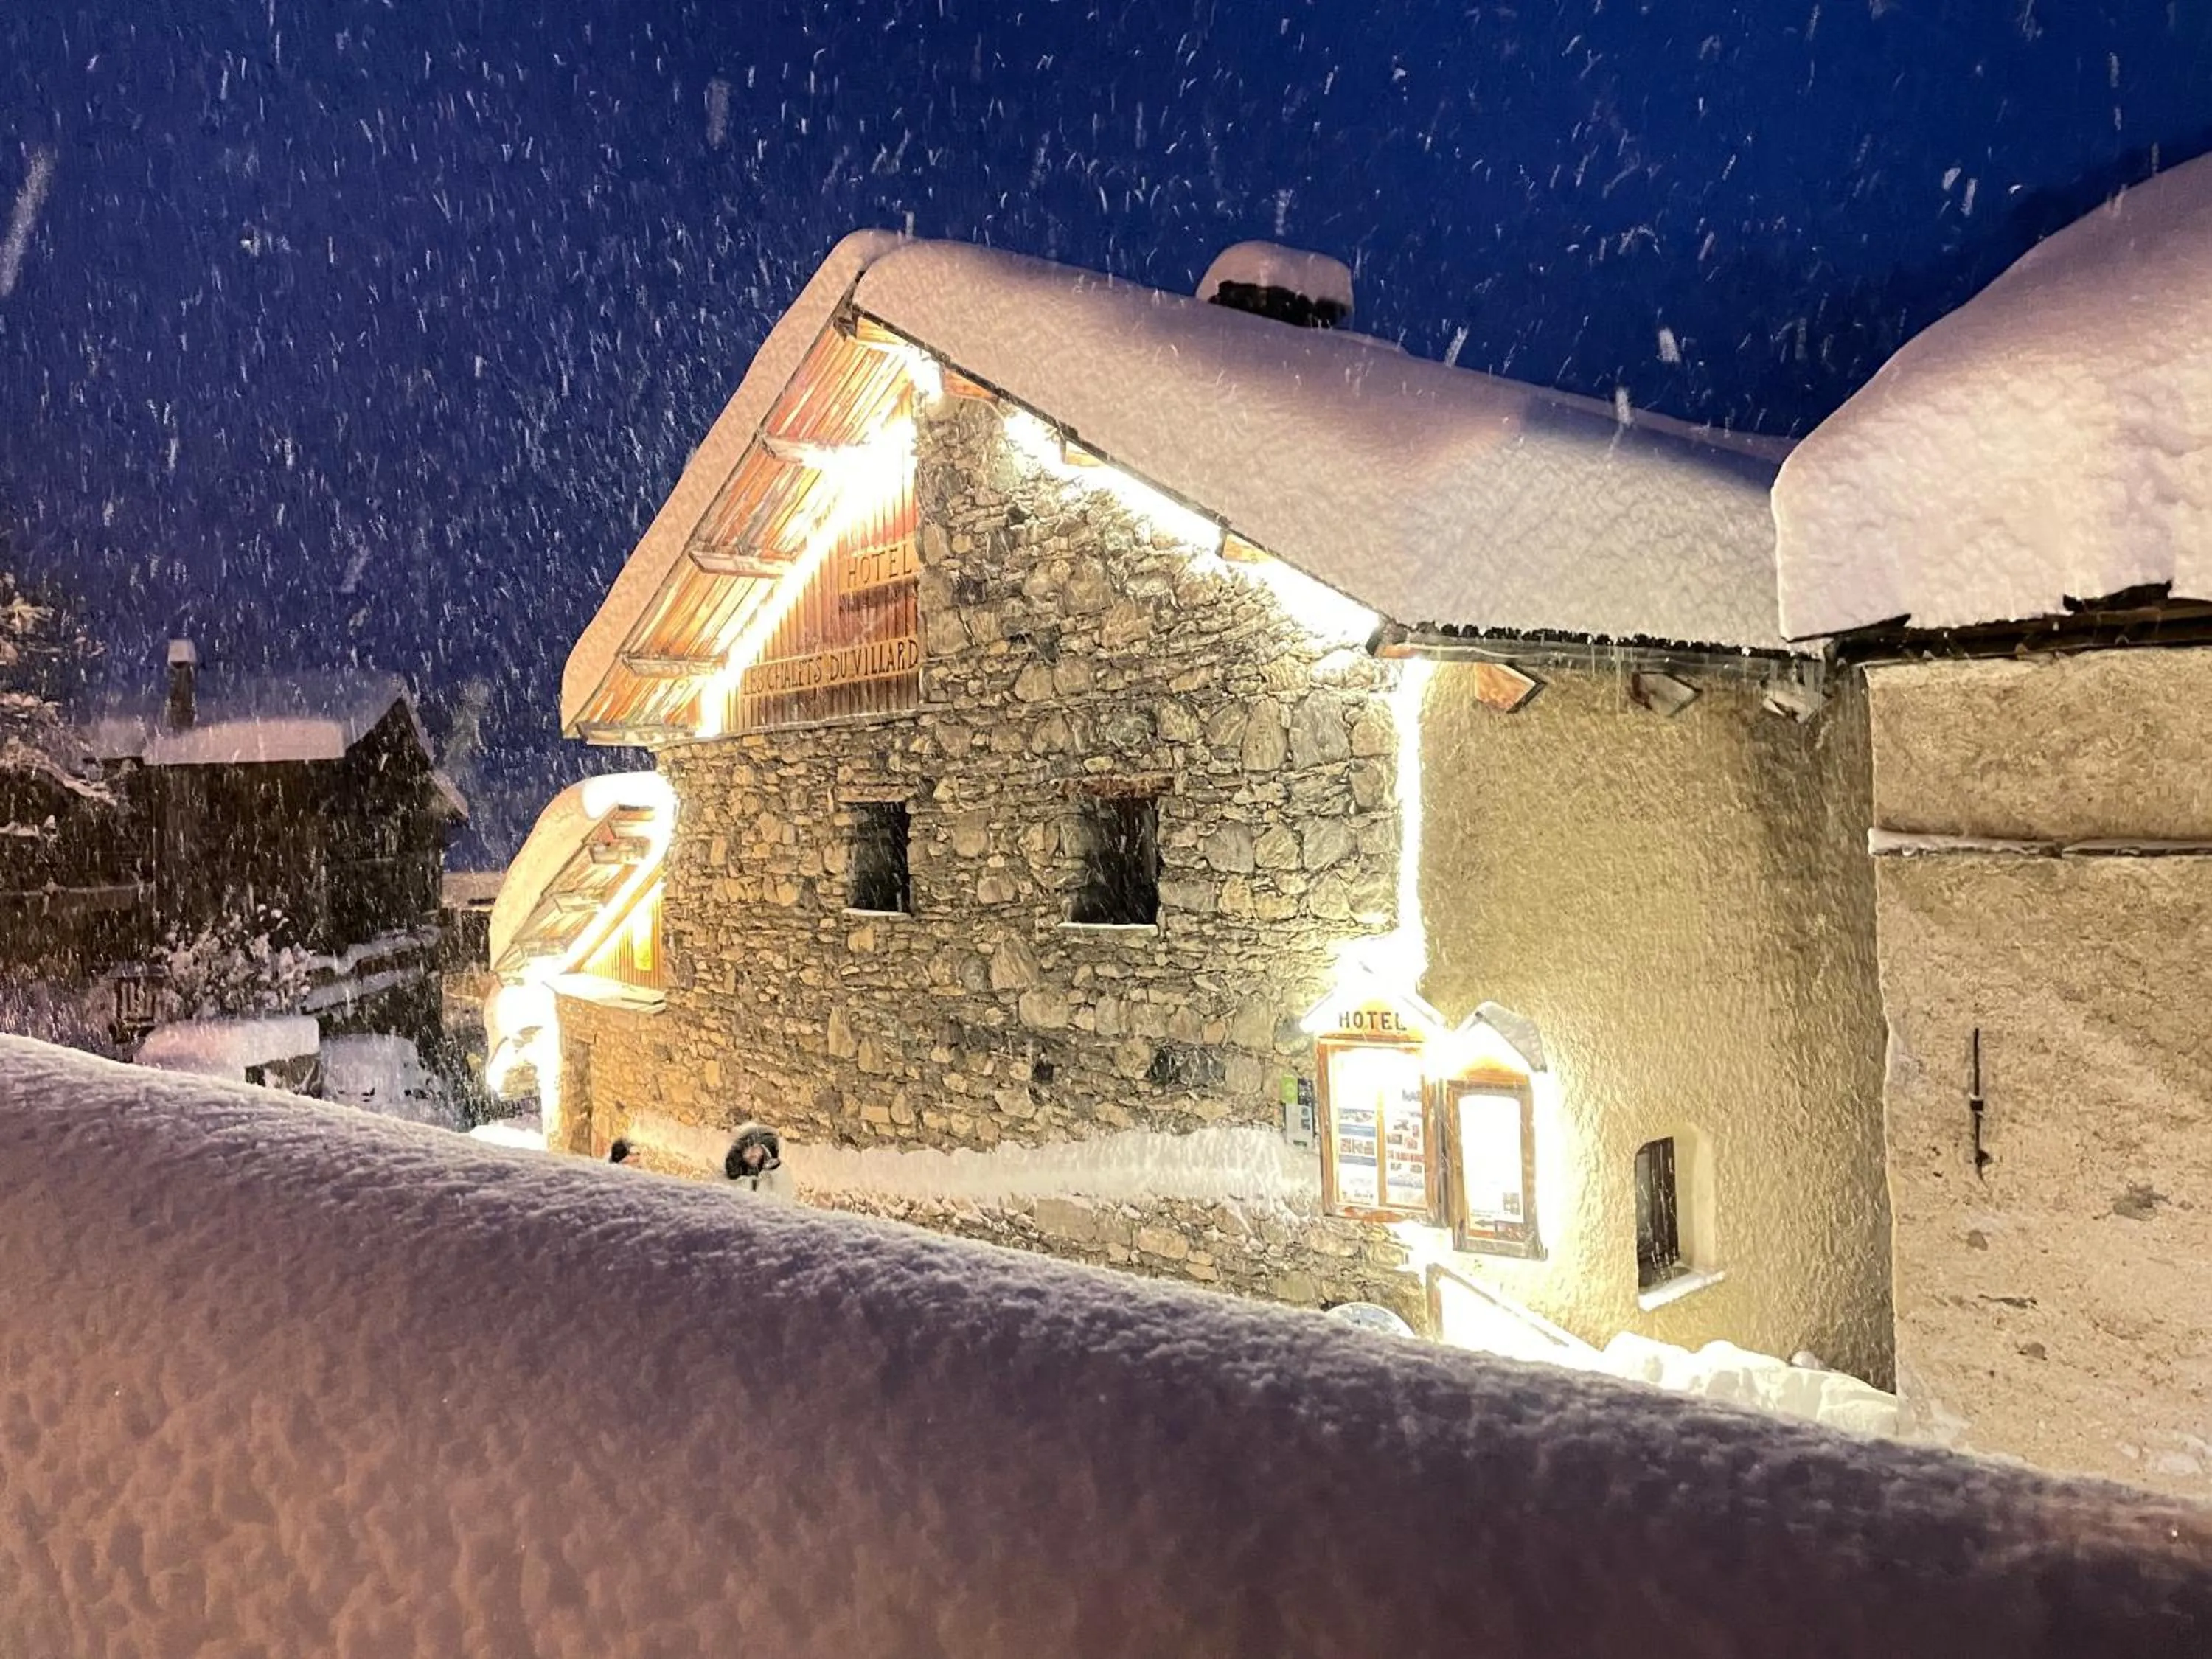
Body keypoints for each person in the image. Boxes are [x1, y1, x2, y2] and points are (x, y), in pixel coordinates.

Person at [724, 1123, 784, 1194]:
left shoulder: (768, 1157)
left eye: (756, 1147)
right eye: (750, 1146)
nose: (753, 1152)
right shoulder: (735, 1162)